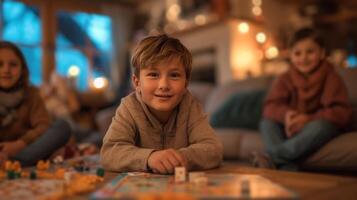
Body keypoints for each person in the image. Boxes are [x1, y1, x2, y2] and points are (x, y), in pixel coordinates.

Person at [100, 34, 223, 174]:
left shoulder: (190, 106)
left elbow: (213, 149)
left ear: (186, 84)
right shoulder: (129, 107)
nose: (164, 85)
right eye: (153, 74)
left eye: (174, 75)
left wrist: (180, 158)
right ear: (137, 83)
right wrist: (149, 158)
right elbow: (109, 153)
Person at [258, 28, 352, 171]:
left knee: (321, 126)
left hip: (314, 126)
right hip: (291, 127)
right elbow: (270, 107)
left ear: (322, 53)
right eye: (297, 53)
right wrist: (287, 115)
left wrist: (308, 118)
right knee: (267, 123)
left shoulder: (332, 77)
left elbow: (342, 113)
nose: (303, 58)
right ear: (290, 55)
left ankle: (272, 157)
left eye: (310, 52)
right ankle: (287, 167)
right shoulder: (285, 78)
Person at [0, 41, 70, 166]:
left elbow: (43, 125)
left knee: (62, 126)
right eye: (0, 64)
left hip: (27, 148)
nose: (6, 70)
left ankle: (15, 162)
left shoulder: (31, 93)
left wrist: (19, 144)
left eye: (13, 65)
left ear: (22, 69)